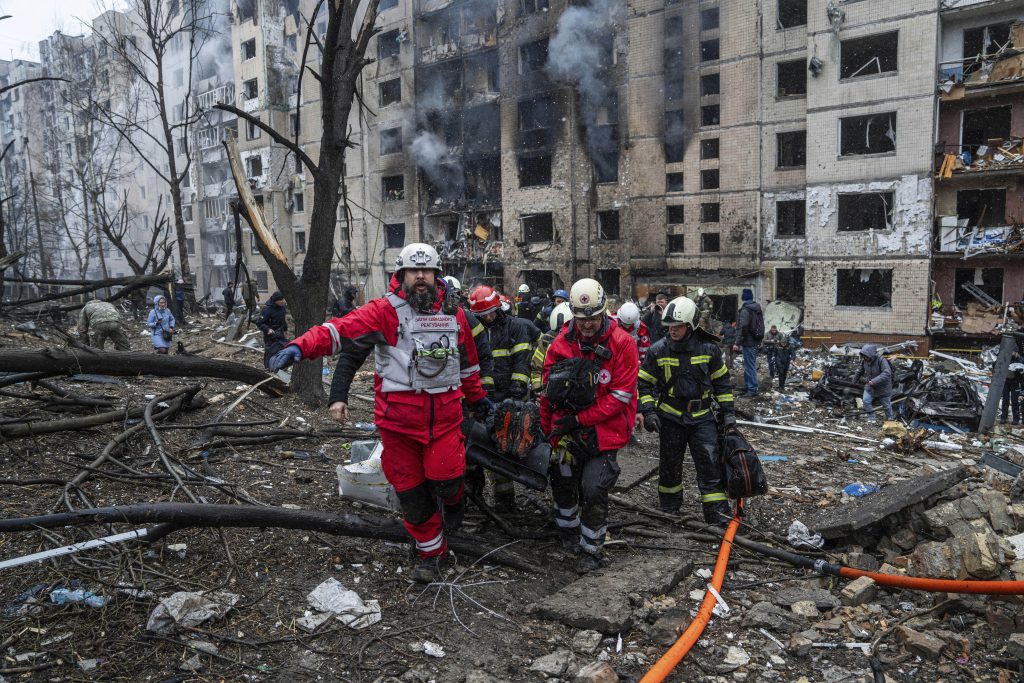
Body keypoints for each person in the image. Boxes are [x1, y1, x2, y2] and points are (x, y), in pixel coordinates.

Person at [267, 243, 491, 583]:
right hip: (399, 427)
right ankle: (432, 554)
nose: (420, 277)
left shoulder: (455, 314)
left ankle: (454, 504)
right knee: (412, 495)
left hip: (444, 421)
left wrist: (479, 401)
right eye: (413, 272)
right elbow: (339, 330)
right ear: (400, 276)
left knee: (446, 478)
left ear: (436, 275)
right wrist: (299, 346)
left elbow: (469, 366)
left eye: (426, 271)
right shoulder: (384, 311)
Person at [540, 278, 638, 571]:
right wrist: (549, 433)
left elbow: (619, 398)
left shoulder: (622, 344)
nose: (586, 324)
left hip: (604, 431)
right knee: (562, 480)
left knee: (594, 487)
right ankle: (567, 533)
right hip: (567, 431)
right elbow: (548, 392)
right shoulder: (560, 345)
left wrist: (578, 419)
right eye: (581, 318)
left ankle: (591, 549)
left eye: (593, 318)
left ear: (604, 312)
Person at [636, 296, 735, 522]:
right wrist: (649, 411)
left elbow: (722, 383)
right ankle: (669, 509)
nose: (673, 330)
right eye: (670, 326)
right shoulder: (657, 351)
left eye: (678, 326)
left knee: (710, 465)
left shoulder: (709, 349)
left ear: (691, 325)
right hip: (670, 417)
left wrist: (728, 413)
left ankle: (716, 514)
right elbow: (644, 383)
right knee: (669, 466)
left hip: (702, 417)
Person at [532, 302, 573, 394]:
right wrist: (538, 389)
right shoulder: (546, 341)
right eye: (559, 332)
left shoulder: (579, 341)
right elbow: (536, 368)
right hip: (549, 391)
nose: (561, 337)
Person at [735, 289, 764, 396]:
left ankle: (752, 389)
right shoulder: (757, 308)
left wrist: (737, 342)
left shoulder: (745, 310)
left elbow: (743, 327)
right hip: (754, 340)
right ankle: (748, 386)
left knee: (750, 366)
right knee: (749, 364)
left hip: (748, 342)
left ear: (743, 297)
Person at [854, 344, 893, 421]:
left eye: (866, 356)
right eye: (863, 356)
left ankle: (890, 419)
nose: (864, 358)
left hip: (883, 387)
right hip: (870, 386)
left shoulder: (881, 360)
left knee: (886, 405)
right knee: (866, 401)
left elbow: (887, 373)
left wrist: (874, 381)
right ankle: (871, 418)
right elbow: (860, 370)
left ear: (871, 354)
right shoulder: (864, 360)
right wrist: (854, 380)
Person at [257, 292, 290, 369]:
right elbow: (259, 323)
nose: (283, 301)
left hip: (280, 333)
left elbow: (283, 320)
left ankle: (278, 367)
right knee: (270, 352)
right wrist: (268, 329)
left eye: (283, 299)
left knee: (281, 349)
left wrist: (285, 329)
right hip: (270, 335)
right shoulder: (267, 309)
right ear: (275, 300)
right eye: (280, 300)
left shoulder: (282, 308)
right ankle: (268, 368)